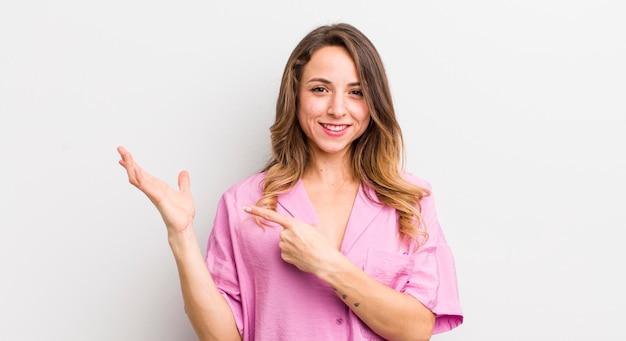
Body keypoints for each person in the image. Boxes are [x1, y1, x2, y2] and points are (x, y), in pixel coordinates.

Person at [117, 23, 463, 341]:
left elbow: (417, 329)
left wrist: (328, 264)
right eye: (320, 89)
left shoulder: (410, 200)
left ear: (374, 104)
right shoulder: (245, 203)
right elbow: (220, 337)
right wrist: (181, 236)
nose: (337, 109)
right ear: (295, 96)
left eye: (356, 92)